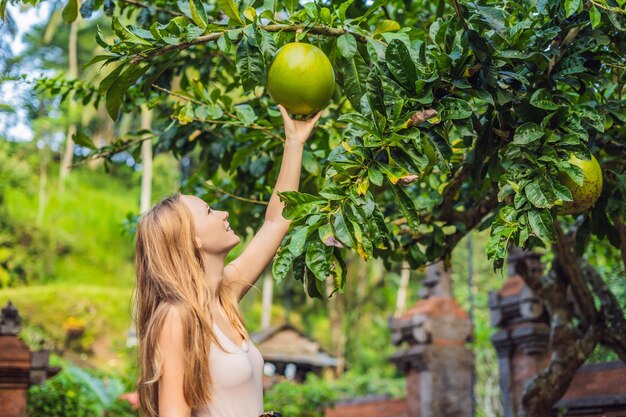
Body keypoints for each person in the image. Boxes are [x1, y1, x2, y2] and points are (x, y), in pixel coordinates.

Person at [133, 104, 322, 417]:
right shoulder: (177, 317)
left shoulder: (225, 295)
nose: (223, 213)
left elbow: (277, 221)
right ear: (190, 239)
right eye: (208, 211)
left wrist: (294, 143)